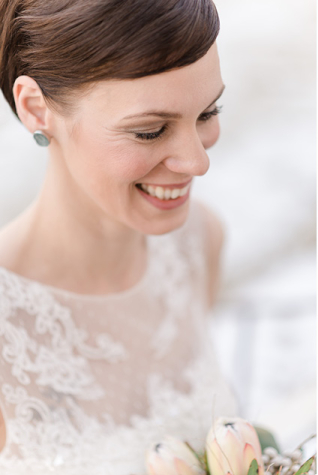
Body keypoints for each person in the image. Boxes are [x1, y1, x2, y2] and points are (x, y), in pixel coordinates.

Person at [0, 1, 239, 473]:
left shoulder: (199, 240)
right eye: (151, 131)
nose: (197, 162)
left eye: (208, 112)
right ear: (35, 108)